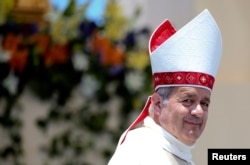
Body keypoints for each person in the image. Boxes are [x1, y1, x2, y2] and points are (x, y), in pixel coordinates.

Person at [108, 9, 223, 165]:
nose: (199, 111)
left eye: (205, 103)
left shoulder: (178, 153)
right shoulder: (139, 152)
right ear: (158, 104)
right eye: (188, 100)